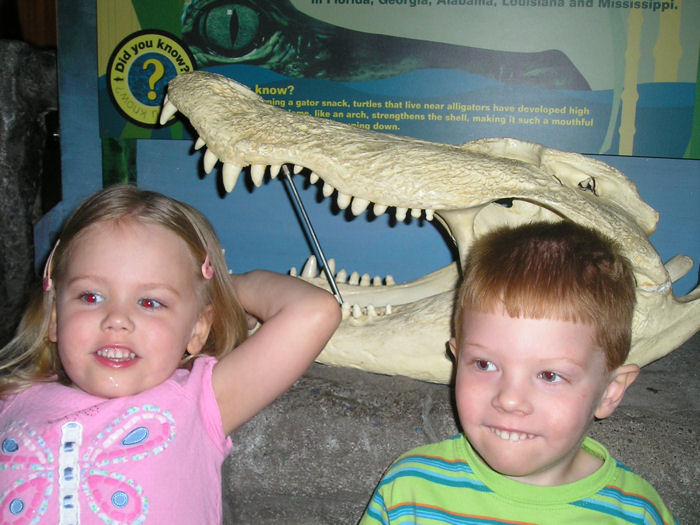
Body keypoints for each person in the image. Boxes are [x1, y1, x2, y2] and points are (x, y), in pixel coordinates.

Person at [0, 184, 341, 523]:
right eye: (91, 297)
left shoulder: (199, 402)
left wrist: (222, 290)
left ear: (197, 329)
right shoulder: (11, 403)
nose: (117, 319)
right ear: (55, 318)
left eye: (150, 302)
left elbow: (314, 312)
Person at [360, 221, 677, 524]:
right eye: (485, 365)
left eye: (549, 375)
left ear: (610, 392)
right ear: (457, 362)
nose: (509, 400)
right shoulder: (409, 490)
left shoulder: (637, 514)